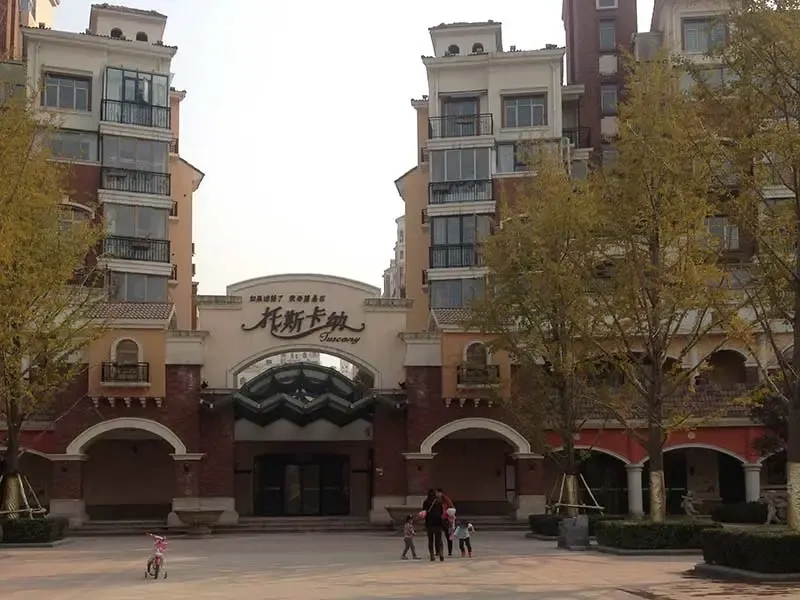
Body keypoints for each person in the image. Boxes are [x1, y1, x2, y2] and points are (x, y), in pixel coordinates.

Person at [422, 489, 444, 561]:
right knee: (439, 539)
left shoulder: (426, 502)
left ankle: (432, 555)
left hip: (429, 523)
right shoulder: (439, 502)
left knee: (430, 540)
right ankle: (441, 553)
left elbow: (424, 512)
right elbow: (441, 512)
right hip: (438, 523)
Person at [440, 489, 455, 556]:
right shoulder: (437, 502)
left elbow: (452, 509)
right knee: (438, 536)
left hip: (446, 520)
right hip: (439, 520)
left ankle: (450, 551)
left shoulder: (447, 502)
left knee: (448, 536)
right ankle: (439, 551)